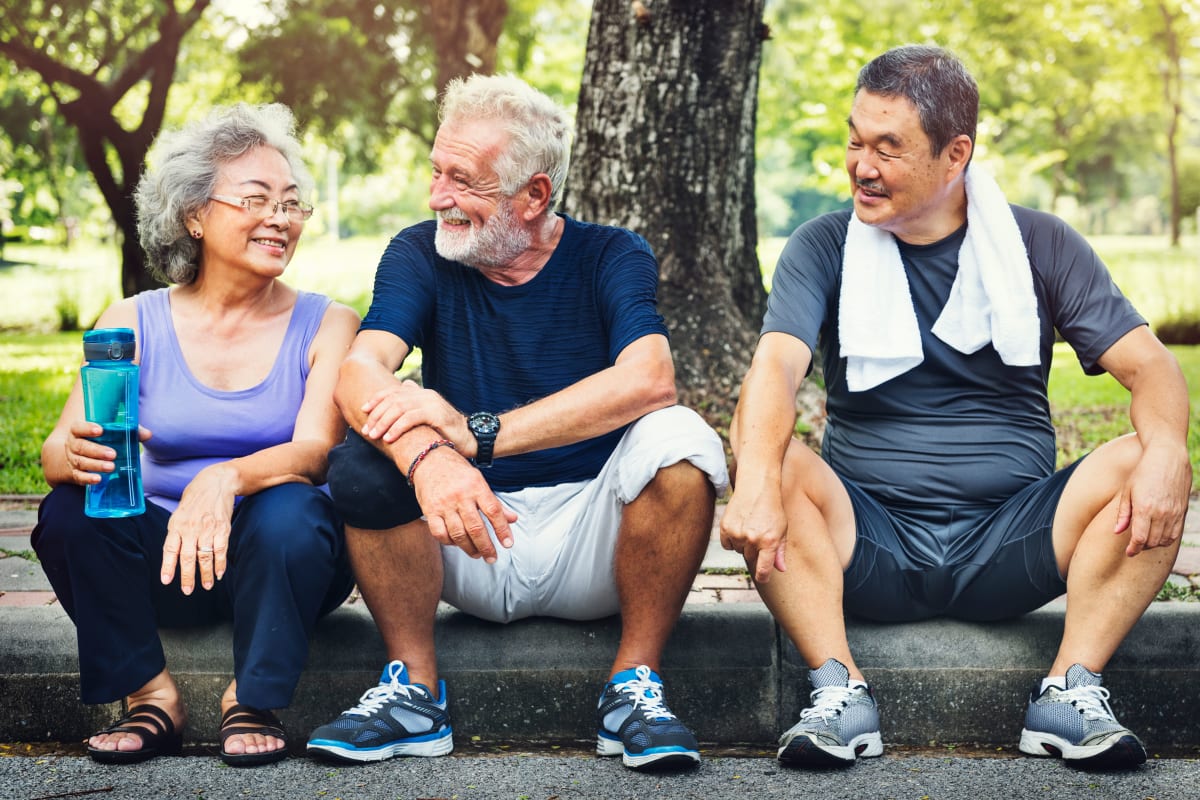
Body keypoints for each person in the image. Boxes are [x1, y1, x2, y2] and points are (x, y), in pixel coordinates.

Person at [721, 45, 1191, 771]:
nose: (861, 165)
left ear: (955, 154)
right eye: (853, 139)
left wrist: (1167, 452)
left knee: (1151, 457)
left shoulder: (1040, 243)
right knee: (768, 450)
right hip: (868, 541)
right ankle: (837, 692)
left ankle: (1070, 691)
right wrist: (754, 477)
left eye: (888, 147)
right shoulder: (824, 245)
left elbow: (1152, 367)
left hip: (1013, 541)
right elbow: (776, 366)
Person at [304, 74, 728, 771]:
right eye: (436, 171)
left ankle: (633, 688)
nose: (438, 196)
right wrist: (432, 460)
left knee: (682, 439)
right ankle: (414, 691)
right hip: (464, 534)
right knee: (363, 455)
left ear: (534, 196)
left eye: (463, 180)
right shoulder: (420, 252)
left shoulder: (611, 254)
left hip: (595, 539)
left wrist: (478, 433)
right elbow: (359, 373)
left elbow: (650, 379)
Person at [32, 103, 359, 767]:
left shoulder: (329, 322)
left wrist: (225, 476)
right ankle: (150, 695)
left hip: (281, 568)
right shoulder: (134, 320)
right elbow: (52, 454)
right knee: (68, 511)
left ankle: (252, 698)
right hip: (160, 563)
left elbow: (317, 452)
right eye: (257, 199)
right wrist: (74, 454)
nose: (281, 218)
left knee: (294, 507)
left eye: (292, 203)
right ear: (194, 215)